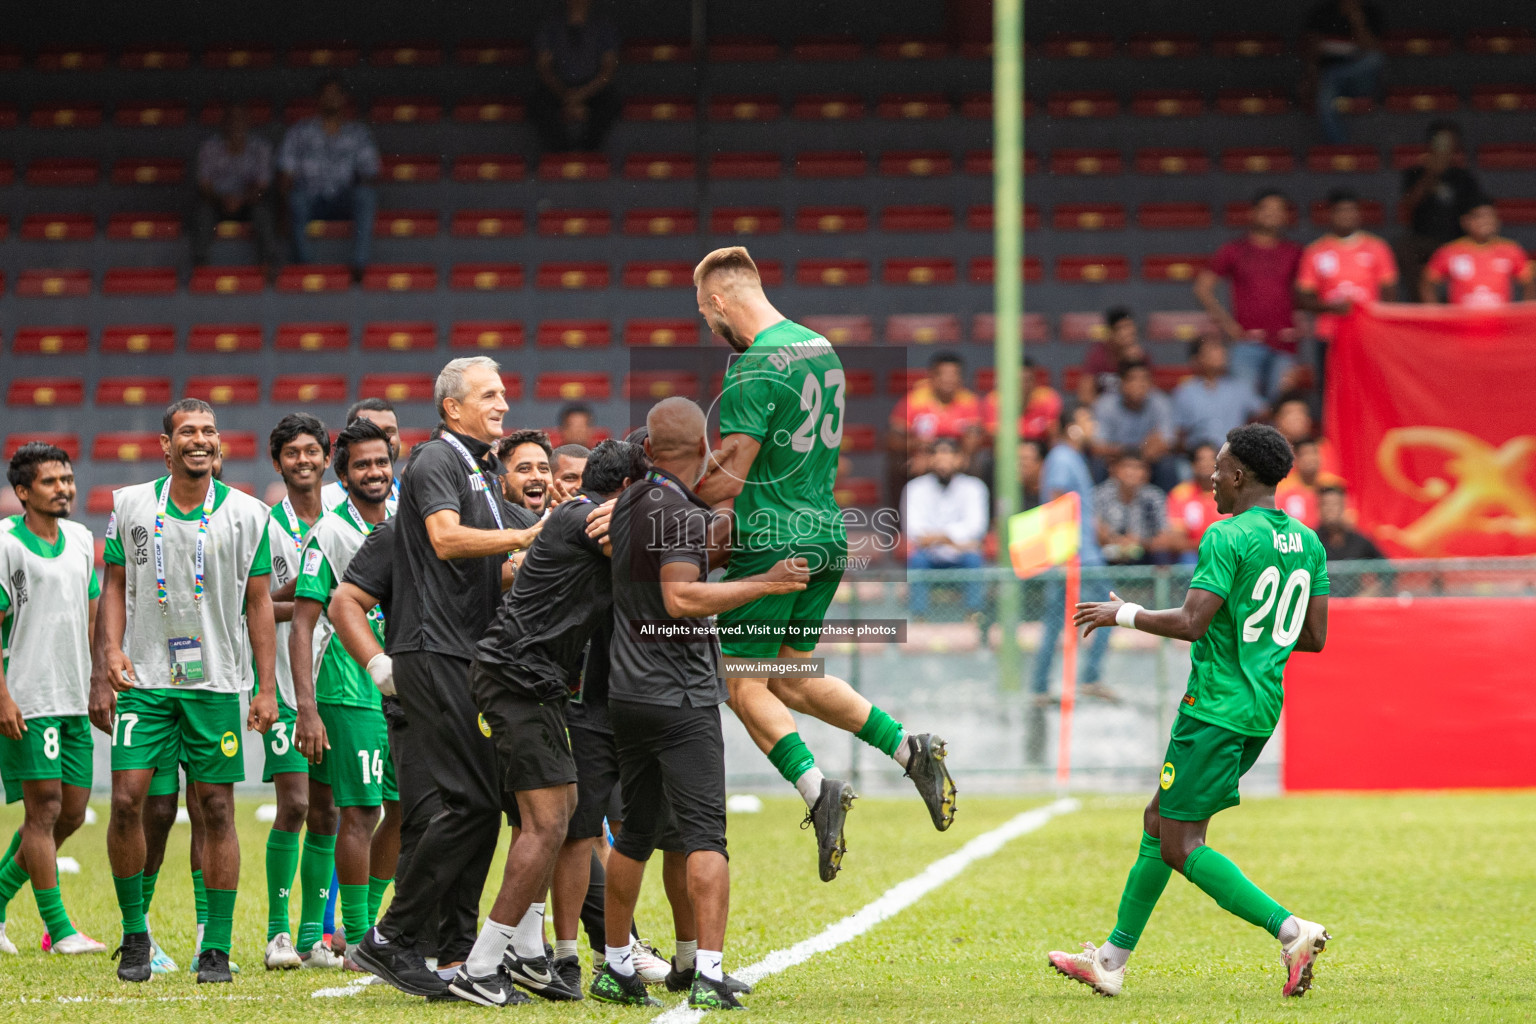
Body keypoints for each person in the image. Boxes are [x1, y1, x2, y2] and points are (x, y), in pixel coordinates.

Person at [691, 247, 958, 882]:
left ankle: (817, 791)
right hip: (825, 531)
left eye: (705, 313)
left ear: (722, 301)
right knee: (787, 674)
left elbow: (735, 460)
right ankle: (907, 746)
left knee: (740, 680)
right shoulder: (820, 348)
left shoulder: (753, 363)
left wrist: (664, 495)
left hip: (771, 538)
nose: (709, 326)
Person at [1050, 424, 1331, 999]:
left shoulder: (1227, 536)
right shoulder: (1309, 541)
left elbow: (1191, 621)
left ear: (1239, 475)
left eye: (1218, 468)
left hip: (1215, 708)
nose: (1209, 478)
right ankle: (1111, 959)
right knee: (1160, 821)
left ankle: (1290, 929)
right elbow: (1314, 635)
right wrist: (1255, 638)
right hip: (1258, 709)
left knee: (1180, 844)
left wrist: (1123, 614)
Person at [599, 397, 807, 1010]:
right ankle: (711, 974)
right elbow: (681, 599)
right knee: (704, 838)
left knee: (634, 834)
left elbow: (670, 564)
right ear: (705, 447)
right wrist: (768, 583)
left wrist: (733, 552)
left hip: (627, 693)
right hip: (680, 696)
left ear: (647, 449)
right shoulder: (681, 512)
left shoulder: (633, 502)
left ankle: (614, 967)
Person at [349, 358, 543, 997]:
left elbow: (481, 564)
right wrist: (528, 536)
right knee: (472, 804)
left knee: (476, 807)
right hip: (434, 651)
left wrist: (527, 558)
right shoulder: (437, 460)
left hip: (461, 652)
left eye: (504, 393)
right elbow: (445, 539)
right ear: (452, 407)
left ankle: (414, 941)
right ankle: (393, 939)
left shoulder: (478, 472)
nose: (503, 404)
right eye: (489, 394)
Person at [453, 440, 648, 1006]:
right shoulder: (590, 518)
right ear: (628, 490)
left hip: (530, 681)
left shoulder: (583, 515)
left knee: (559, 813)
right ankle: (483, 965)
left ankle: (530, 957)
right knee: (544, 824)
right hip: (516, 677)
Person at [92, 399, 279, 983]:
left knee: (217, 807)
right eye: (187, 432)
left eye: (209, 431)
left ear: (218, 444)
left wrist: (266, 688)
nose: (200, 440)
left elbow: (260, 605)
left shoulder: (249, 513)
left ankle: (216, 947)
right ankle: (135, 936)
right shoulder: (130, 506)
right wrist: (110, 654)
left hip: (216, 683)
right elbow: (114, 586)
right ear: (165, 445)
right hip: (146, 680)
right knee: (128, 801)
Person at [288, 419, 400, 976]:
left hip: (403, 689)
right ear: (344, 473)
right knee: (359, 810)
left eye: (382, 461)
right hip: (347, 687)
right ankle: (355, 938)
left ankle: (370, 926)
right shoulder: (328, 533)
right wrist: (306, 708)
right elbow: (302, 624)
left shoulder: (410, 522)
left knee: (405, 808)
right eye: (362, 464)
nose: (374, 472)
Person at [0, 444, 106, 955]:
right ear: (23, 492)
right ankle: (59, 930)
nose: (64, 487)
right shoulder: (5, 544)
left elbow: (91, 618)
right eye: (50, 481)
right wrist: (1, 695)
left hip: (72, 697)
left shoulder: (83, 539)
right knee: (43, 812)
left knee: (72, 813)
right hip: (27, 696)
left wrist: (98, 681)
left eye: (67, 478)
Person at [259, 414, 335, 970]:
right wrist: (320, 599)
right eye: (293, 453)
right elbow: (253, 605)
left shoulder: (346, 518)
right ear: (278, 461)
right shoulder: (264, 526)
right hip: (286, 685)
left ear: (327, 458)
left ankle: (314, 936)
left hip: (341, 681)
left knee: (329, 811)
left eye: (313, 451)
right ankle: (277, 933)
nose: (304, 460)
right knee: (296, 803)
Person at [1031, 407, 1116, 704]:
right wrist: (1068, 553)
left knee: (1057, 620)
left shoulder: (1069, 457)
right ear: (1071, 428)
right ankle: (1086, 678)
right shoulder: (1063, 458)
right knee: (1111, 610)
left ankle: (1041, 686)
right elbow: (1057, 504)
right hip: (1077, 556)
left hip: (1078, 552)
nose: (1093, 425)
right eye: (1087, 420)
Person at [1195, 190, 1304, 400]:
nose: (1272, 214)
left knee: (1281, 407)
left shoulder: (1295, 252)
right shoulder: (1234, 250)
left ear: (1285, 216)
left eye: (1278, 210)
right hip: (1246, 343)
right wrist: (1227, 325)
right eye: (1267, 209)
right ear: (1253, 213)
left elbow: (1307, 292)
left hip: (1285, 344)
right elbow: (1202, 288)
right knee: (1245, 408)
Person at [277, 77, 379, 279]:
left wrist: (358, 185)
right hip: (310, 197)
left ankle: (359, 264)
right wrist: (283, 206)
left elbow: (371, 172)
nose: (331, 99)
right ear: (318, 99)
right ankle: (304, 266)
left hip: (343, 198)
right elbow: (285, 173)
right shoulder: (300, 131)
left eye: (335, 94)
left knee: (365, 196)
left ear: (343, 99)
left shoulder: (357, 133)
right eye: (326, 94)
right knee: (296, 199)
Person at [1296, 189, 1398, 382]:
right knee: (1332, 386)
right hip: (1329, 333)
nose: (1346, 216)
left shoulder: (1377, 247)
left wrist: (1377, 321)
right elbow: (1303, 298)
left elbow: (1389, 292)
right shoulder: (1315, 250)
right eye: (1340, 211)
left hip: (1368, 333)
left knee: (1369, 384)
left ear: (1359, 214)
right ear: (1330, 215)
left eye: (1351, 211)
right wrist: (1332, 308)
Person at [901, 439, 989, 618]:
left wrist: (936, 537)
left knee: (974, 560)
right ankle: (919, 618)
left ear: (959, 460)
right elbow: (913, 530)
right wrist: (950, 538)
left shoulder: (974, 487)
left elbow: (976, 527)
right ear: (930, 460)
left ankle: (973, 617)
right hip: (929, 554)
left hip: (961, 555)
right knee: (917, 561)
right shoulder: (914, 488)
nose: (943, 464)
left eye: (948, 458)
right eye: (938, 459)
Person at [1400, 121, 1485, 295]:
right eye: (1439, 142)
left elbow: (1475, 211)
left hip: (1457, 240)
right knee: (1402, 247)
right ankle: (1421, 301)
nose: (1444, 148)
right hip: (1423, 240)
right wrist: (1430, 174)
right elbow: (1408, 205)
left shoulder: (1463, 176)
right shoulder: (1415, 172)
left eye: (1449, 143)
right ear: (1430, 144)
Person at [192, 102, 277, 272]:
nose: (235, 124)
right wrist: (223, 199)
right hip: (217, 202)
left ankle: (269, 265)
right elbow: (204, 186)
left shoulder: (261, 147)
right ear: (223, 123)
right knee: (203, 213)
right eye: (231, 120)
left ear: (248, 122)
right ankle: (200, 268)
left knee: (263, 212)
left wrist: (241, 200)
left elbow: (262, 186)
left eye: (240, 119)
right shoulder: (210, 147)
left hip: (249, 202)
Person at [531, 0, 621, 153]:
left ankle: (588, 153)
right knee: (538, 102)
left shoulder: (603, 25)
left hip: (591, 87)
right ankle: (560, 154)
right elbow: (544, 67)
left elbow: (608, 70)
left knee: (610, 101)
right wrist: (567, 96)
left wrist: (581, 95)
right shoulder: (551, 24)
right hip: (559, 87)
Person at [1421, 200, 1535, 306]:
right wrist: (1437, 315)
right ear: (1465, 221)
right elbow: (1427, 283)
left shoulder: (1511, 249)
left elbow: (1529, 283)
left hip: (1500, 322)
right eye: (1479, 217)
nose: (1486, 222)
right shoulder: (1450, 251)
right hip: (1462, 322)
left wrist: (1523, 317)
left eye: (1490, 217)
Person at [1302, 0, 1385, 143]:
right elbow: (1310, 50)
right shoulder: (1323, 13)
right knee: (1325, 99)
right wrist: (1311, 76)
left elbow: (1374, 49)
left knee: (1375, 59)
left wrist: (1357, 21)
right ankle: (1341, 148)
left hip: (1360, 80)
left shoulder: (1370, 12)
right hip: (1330, 82)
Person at [1171, 338, 1267, 457]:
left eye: (1221, 349)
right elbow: (1178, 432)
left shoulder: (1240, 388)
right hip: (1197, 456)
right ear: (1197, 359)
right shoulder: (1185, 392)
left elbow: (1265, 413)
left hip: (1234, 455)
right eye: (1212, 350)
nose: (1220, 353)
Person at [1092, 362, 1180, 492]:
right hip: (1115, 461)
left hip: (1149, 460)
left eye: (1144, 380)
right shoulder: (1106, 404)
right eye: (1133, 379)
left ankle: (1169, 509)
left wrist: (1140, 461)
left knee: (1168, 465)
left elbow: (1167, 441)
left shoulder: (1160, 402)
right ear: (1122, 383)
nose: (1139, 385)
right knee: (1097, 465)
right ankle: (1096, 508)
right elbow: (1097, 446)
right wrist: (1128, 456)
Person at [890, 352, 985, 470]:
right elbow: (894, 438)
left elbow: (974, 435)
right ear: (932, 376)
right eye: (943, 375)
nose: (948, 380)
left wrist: (960, 456)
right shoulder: (913, 400)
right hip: (921, 460)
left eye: (953, 375)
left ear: (961, 378)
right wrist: (917, 445)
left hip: (956, 461)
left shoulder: (969, 401)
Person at [321, 398, 400, 509]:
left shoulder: (414, 498)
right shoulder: (324, 501)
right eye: (371, 430)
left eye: (389, 431)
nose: (382, 439)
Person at [1079, 308, 1153, 405]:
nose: (1128, 333)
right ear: (1111, 333)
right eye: (1122, 329)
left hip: (1133, 409)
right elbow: (1085, 394)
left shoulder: (1141, 356)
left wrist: (1133, 363)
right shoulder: (1098, 354)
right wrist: (1104, 411)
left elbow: (1148, 392)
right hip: (1103, 410)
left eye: (1130, 328)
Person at [1166, 443, 1222, 564]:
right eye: (1201, 459)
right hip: (1195, 556)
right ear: (1193, 465)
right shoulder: (1180, 494)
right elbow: (1176, 541)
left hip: (1227, 554)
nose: (1206, 463)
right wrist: (1209, 544)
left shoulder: (1233, 492)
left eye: (1211, 459)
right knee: (1188, 559)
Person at [498, 430, 555, 517]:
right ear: (501, 483)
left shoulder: (564, 524)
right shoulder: (484, 526)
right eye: (524, 468)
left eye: (543, 469)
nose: (537, 476)